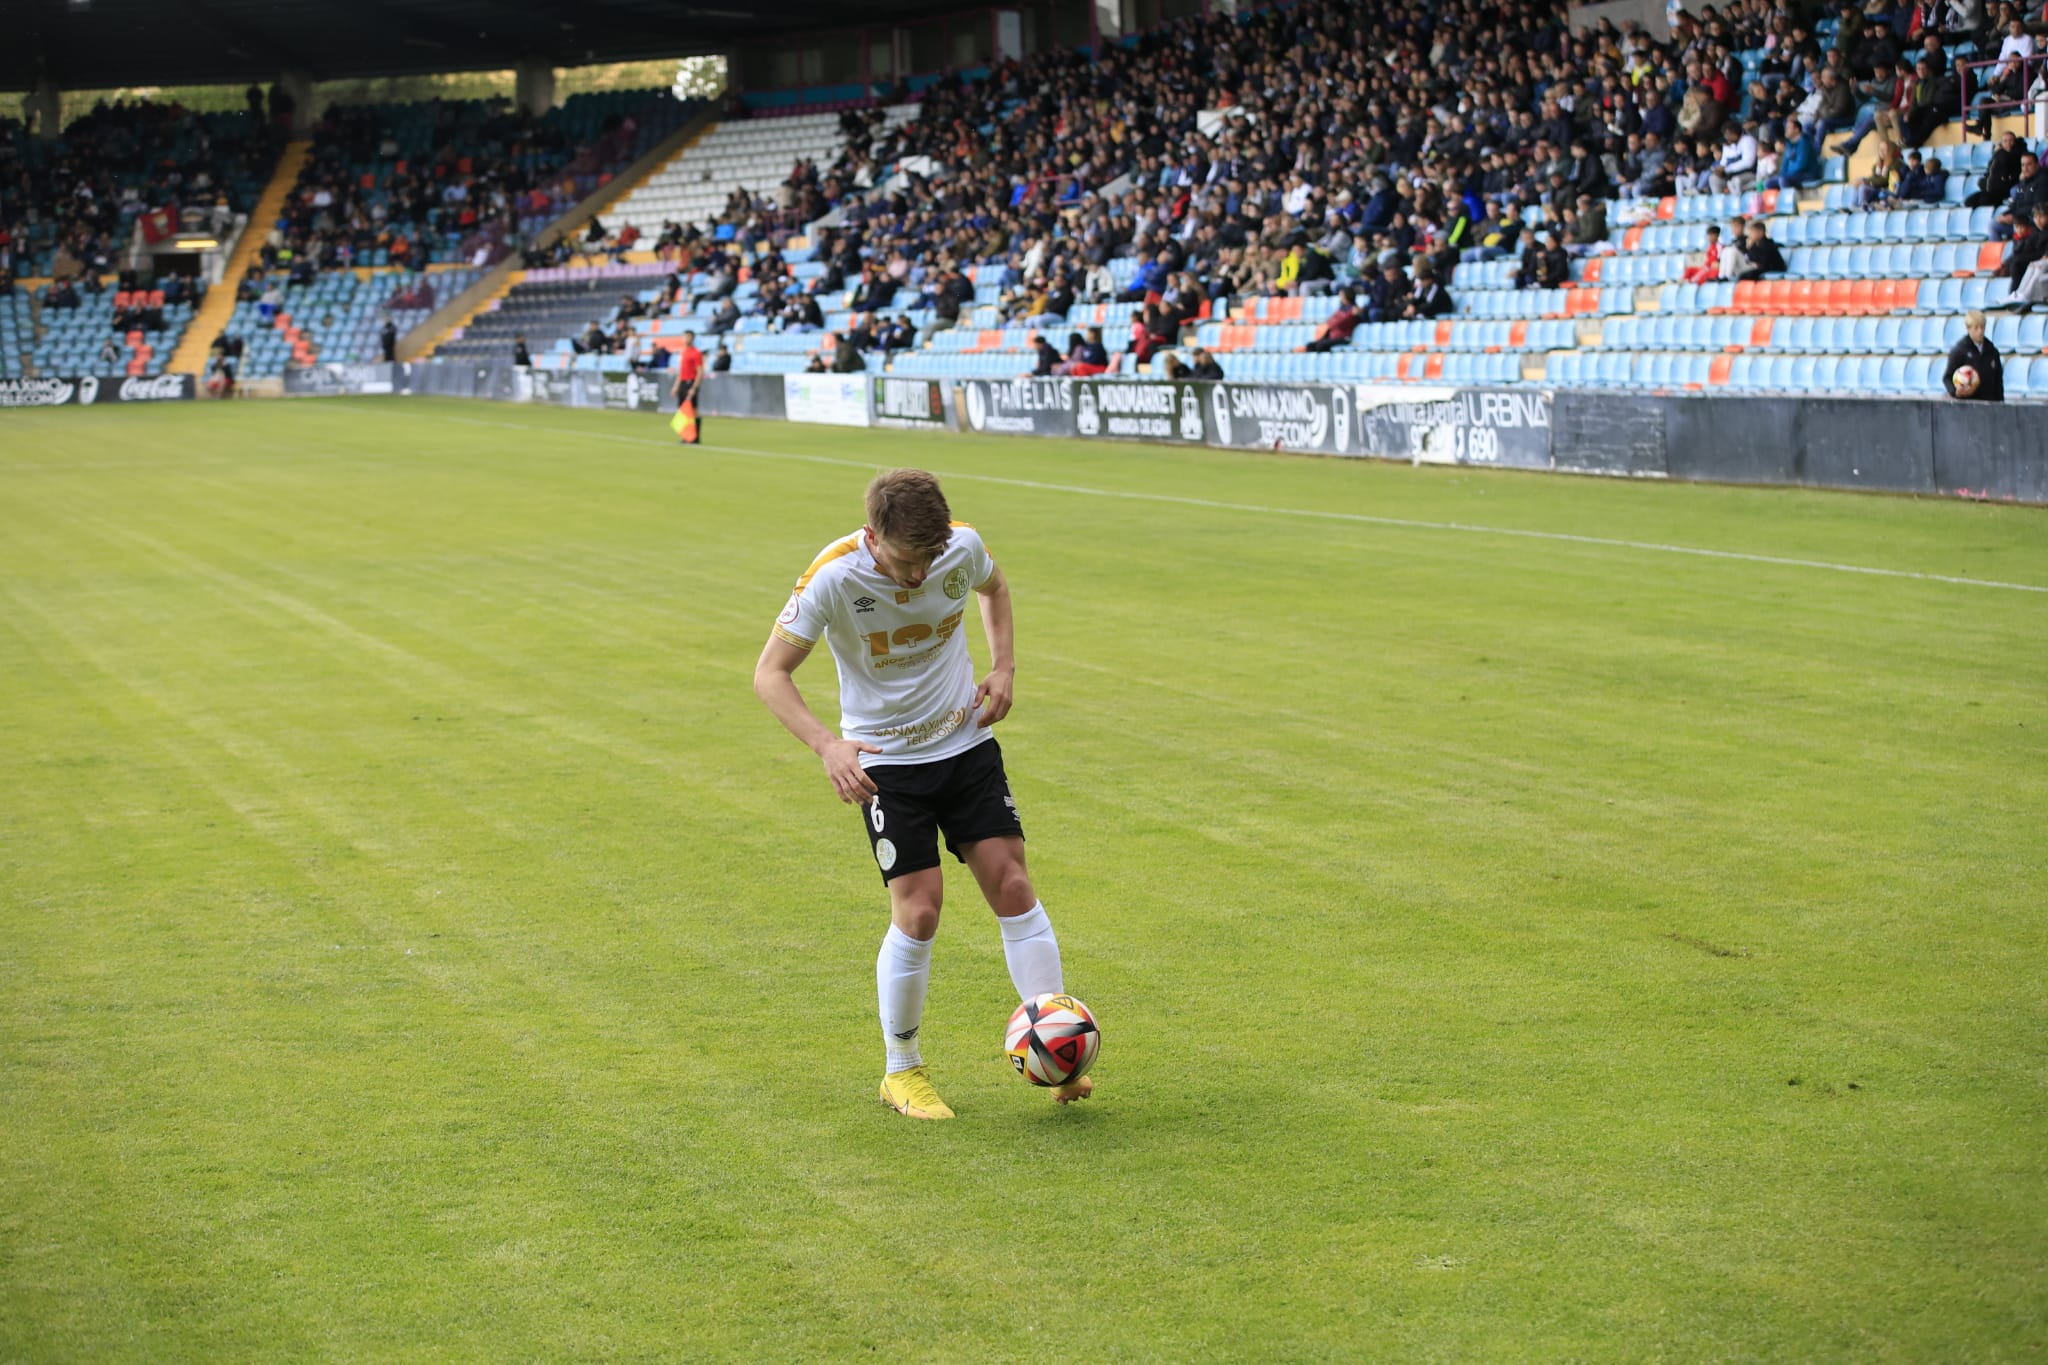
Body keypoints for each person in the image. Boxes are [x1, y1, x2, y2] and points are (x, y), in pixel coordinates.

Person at [751, 469, 1082, 1122]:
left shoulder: (958, 548)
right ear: (873, 538)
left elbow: (996, 586)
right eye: (906, 561)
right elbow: (770, 674)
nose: (918, 576)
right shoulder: (833, 576)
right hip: (887, 765)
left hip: (965, 744)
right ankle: (901, 1070)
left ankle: (1059, 1050)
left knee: (1012, 884)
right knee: (921, 910)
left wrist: (1004, 665)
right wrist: (827, 745)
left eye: (929, 560)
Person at [1944, 309, 2004, 399]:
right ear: (1968, 329)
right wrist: (1955, 392)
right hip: (1967, 406)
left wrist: (2000, 403)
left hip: (1990, 404)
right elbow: (1947, 377)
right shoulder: (1959, 350)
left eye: (1982, 327)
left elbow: (1998, 381)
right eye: (1976, 328)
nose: (1980, 331)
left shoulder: (1992, 351)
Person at [671, 330, 704, 445]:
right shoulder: (683, 352)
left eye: (688, 337)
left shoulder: (696, 353)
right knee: (683, 410)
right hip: (683, 383)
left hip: (691, 383)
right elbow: (681, 372)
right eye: (685, 337)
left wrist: (694, 387)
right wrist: (675, 386)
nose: (686, 339)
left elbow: (700, 372)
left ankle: (696, 437)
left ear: (693, 338)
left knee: (694, 410)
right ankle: (686, 436)